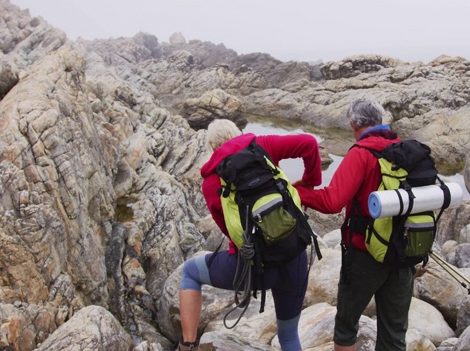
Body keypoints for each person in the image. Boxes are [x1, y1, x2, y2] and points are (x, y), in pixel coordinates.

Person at [177, 119, 322, 351]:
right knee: (288, 337)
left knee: (190, 273)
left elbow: (231, 232)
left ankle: (187, 345)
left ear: (213, 148)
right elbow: (308, 143)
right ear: (239, 133)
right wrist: (309, 182)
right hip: (294, 255)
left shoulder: (212, 180)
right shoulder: (263, 145)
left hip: (254, 269)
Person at [293, 99, 414, 351]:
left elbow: (332, 201)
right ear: (380, 121)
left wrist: (296, 193)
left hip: (365, 254)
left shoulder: (361, 153)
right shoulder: (405, 150)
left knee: (346, 328)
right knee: (394, 334)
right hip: (404, 253)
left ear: (353, 124)